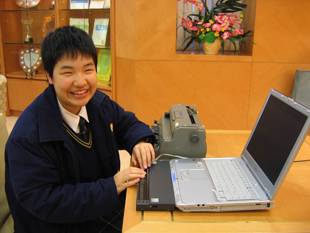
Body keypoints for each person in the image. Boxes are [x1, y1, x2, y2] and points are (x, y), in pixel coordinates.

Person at [5, 26, 155, 233]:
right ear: (49, 76)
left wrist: (139, 141)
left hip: (99, 207)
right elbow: (44, 201)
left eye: (88, 69)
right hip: (57, 225)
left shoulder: (97, 103)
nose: (81, 82)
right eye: (68, 72)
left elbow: (126, 123)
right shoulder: (27, 137)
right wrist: (110, 187)